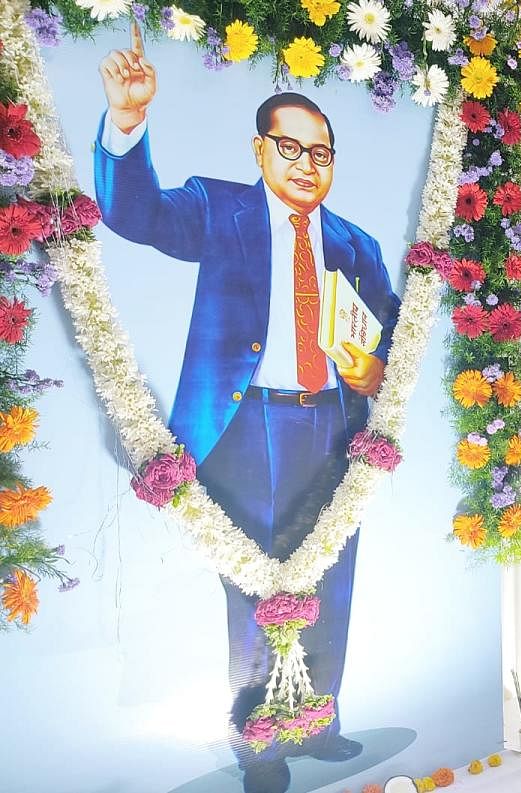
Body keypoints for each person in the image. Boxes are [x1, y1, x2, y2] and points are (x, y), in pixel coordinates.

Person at [95, 23, 400, 793]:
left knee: (331, 578)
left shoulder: (354, 243)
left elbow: (391, 332)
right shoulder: (216, 208)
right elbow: (137, 216)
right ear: (259, 150)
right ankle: (257, 743)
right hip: (241, 426)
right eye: (290, 147)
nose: (306, 164)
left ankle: (320, 719)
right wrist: (127, 125)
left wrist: (371, 368)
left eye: (320, 151)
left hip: (330, 424)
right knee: (255, 589)